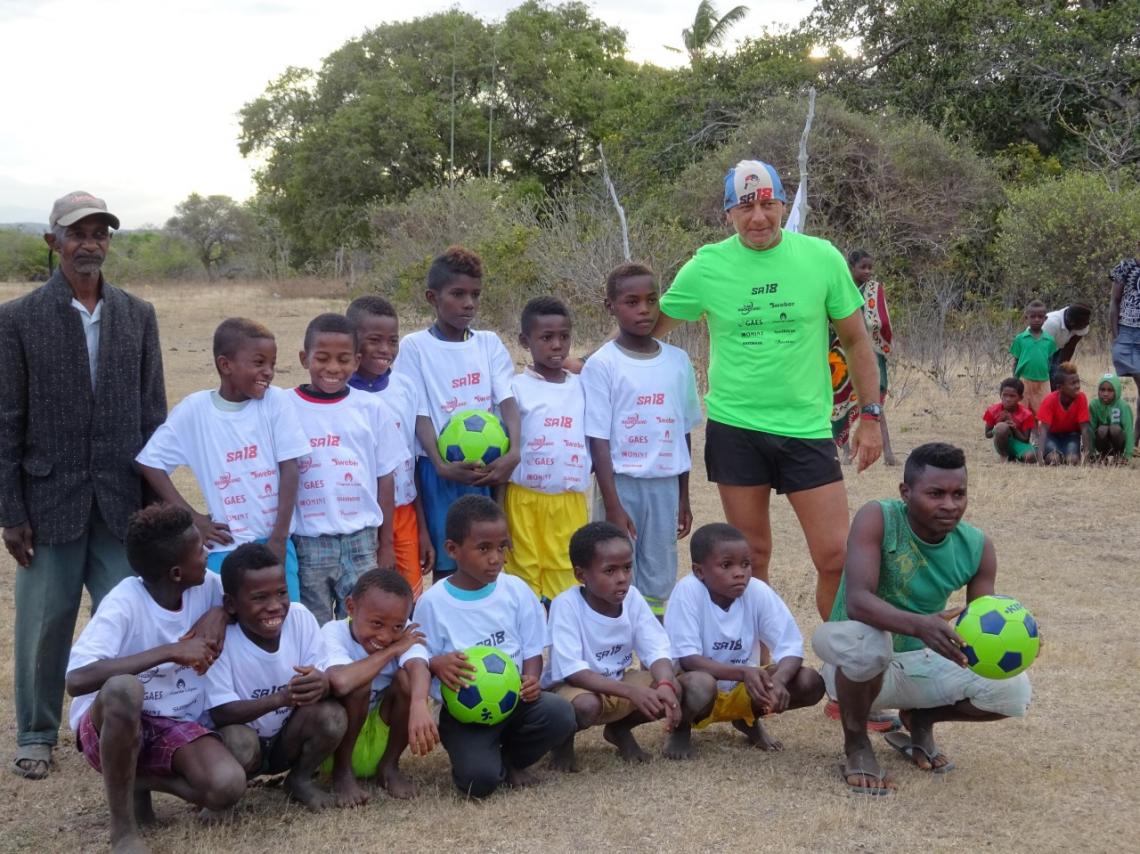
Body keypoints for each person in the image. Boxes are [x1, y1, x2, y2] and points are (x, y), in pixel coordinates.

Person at [653, 159, 882, 621]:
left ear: (781, 204)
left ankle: (842, 673)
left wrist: (871, 416)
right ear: (728, 215)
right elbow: (650, 328)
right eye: (745, 208)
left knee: (836, 556)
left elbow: (858, 340)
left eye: (767, 204)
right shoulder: (706, 265)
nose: (758, 218)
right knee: (749, 560)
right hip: (736, 428)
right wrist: (584, 366)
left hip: (806, 427)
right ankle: (761, 675)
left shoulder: (821, 257)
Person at [0, 191, 167, 780]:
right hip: (48, 501)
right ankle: (38, 734)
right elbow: (6, 420)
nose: (90, 242)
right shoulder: (17, 319)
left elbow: (152, 415)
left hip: (121, 499)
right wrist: (10, 511)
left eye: (100, 232)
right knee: (45, 623)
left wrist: (156, 501)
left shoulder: (137, 314)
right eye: (78, 233)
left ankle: (114, 725)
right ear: (54, 242)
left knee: (129, 616)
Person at [812, 443, 1031, 795]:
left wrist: (1019, 642)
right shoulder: (878, 517)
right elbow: (857, 602)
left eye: (959, 494)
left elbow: (983, 625)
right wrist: (921, 624)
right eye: (936, 493)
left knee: (1013, 690)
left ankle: (921, 719)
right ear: (906, 492)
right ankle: (856, 743)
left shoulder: (977, 547)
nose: (949, 505)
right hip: (851, 661)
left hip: (918, 664)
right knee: (870, 643)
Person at [65, 504, 245, 852]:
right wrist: (169, 651)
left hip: (176, 722)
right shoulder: (124, 602)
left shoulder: (206, 585)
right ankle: (124, 830)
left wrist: (221, 612)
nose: (207, 553)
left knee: (228, 787)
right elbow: (77, 679)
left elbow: (246, 601)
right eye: (199, 550)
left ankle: (136, 779)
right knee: (123, 690)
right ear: (176, 572)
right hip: (113, 722)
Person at [413, 495, 575, 797]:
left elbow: (531, 648)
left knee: (561, 714)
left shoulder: (516, 590)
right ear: (453, 550)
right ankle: (484, 762)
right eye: (483, 548)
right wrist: (436, 663)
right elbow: (419, 658)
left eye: (502, 547)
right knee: (479, 783)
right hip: (465, 713)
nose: (495, 557)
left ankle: (512, 761)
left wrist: (531, 679)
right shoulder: (432, 603)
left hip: (514, 703)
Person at [136, 318, 309, 599]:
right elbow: (150, 463)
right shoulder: (195, 410)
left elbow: (290, 468)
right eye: (259, 363)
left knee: (281, 617)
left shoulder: (276, 402)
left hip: (273, 543)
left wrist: (279, 538)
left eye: (272, 364)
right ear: (225, 365)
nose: (269, 372)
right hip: (224, 547)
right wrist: (193, 518)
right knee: (223, 621)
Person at [393, 247, 521, 581]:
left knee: (486, 559)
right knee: (448, 563)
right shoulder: (415, 347)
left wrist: (515, 452)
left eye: (475, 295)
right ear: (432, 297)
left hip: (486, 473)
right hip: (440, 474)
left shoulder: (489, 343)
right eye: (458, 294)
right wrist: (440, 464)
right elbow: (418, 412)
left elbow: (507, 401)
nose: (469, 303)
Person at [582, 263, 703, 617]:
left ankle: (652, 654)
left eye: (651, 300)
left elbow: (682, 431)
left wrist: (684, 495)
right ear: (611, 307)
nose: (643, 310)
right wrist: (613, 504)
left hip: (665, 486)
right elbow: (598, 439)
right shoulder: (602, 364)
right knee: (614, 568)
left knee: (659, 572)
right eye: (631, 302)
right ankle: (614, 652)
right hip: (621, 484)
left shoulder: (678, 362)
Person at [664, 523, 824, 758]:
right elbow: (688, 659)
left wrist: (778, 680)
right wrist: (743, 673)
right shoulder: (688, 591)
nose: (739, 573)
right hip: (697, 688)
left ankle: (748, 719)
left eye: (745, 564)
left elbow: (791, 646)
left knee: (809, 681)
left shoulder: (756, 591)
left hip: (744, 687)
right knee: (701, 684)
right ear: (699, 571)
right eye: (726, 565)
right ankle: (681, 728)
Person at [205, 544, 346, 810]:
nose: (274, 606)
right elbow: (221, 713)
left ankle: (300, 780)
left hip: (287, 738)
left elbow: (324, 674)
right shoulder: (221, 638)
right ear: (231, 604)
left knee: (332, 715)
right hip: (245, 744)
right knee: (237, 740)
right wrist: (282, 698)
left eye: (281, 593)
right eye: (259, 598)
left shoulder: (300, 618)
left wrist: (321, 683)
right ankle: (225, 796)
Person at [545, 521, 692, 770]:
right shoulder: (566, 605)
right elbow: (573, 672)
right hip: (573, 689)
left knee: (672, 686)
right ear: (582, 575)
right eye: (610, 571)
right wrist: (631, 692)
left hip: (618, 682)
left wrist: (665, 684)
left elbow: (656, 648)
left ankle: (620, 730)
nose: (622, 578)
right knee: (586, 705)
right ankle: (561, 744)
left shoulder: (632, 598)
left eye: (627, 568)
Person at [287, 313, 403, 624]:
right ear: (304, 358)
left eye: (343, 359)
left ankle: (359, 675)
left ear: (357, 360)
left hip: (362, 540)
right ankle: (325, 675)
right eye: (322, 358)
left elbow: (385, 477)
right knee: (316, 626)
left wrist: (386, 544)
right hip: (310, 541)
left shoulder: (371, 408)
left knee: (362, 625)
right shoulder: (283, 407)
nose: (333, 368)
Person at [321, 569, 437, 805]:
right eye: (376, 623)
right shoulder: (333, 632)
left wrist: (419, 704)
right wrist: (393, 650)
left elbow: (418, 667)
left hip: (377, 733)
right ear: (351, 608)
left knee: (407, 680)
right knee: (358, 685)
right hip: (336, 739)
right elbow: (341, 682)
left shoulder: (407, 632)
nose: (385, 635)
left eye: (397, 627)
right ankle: (342, 773)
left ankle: (389, 767)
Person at [504, 296, 591, 602]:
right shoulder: (513, 388)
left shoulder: (582, 386)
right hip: (522, 502)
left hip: (568, 504)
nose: (557, 345)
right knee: (522, 581)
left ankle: (562, 649)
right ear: (525, 341)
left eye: (564, 337)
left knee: (566, 583)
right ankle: (527, 649)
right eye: (546, 337)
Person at [346, 295, 434, 595]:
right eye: (374, 340)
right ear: (352, 340)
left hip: (404, 513)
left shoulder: (406, 388)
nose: (385, 350)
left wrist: (422, 529)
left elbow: (411, 463)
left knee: (409, 597)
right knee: (366, 596)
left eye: (392, 341)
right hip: (359, 518)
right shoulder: (341, 395)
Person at [837, 250, 896, 466]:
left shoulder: (874, 290)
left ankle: (888, 453)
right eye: (863, 267)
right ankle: (845, 452)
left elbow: (882, 321)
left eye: (870, 267)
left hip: (870, 351)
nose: (868, 272)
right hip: (841, 350)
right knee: (840, 401)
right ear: (851, 267)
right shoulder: (840, 287)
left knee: (874, 402)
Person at [1035, 362, 1091, 466]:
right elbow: (1043, 431)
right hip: (1051, 436)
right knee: (1054, 460)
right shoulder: (1049, 400)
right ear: (1060, 387)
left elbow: (1085, 429)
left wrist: (1087, 459)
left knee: (1072, 461)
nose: (1077, 386)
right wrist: (1040, 458)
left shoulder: (1081, 398)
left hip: (1071, 435)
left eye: (1078, 382)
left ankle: (1067, 455)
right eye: (1072, 383)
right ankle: (1047, 453)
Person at [1109, 257, 1140, 439]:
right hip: (1127, 332)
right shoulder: (1126, 266)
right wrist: (1116, 335)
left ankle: (1134, 440)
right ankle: (1133, 439)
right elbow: (1114, 301)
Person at [1010, 300, 1057, 414]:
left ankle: (1040, 432)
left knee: (1044, 412)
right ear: (1027, 318)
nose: (1036, 319)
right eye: (1033, 316)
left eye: (1040, 317)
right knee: (1022, 411)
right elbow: (1016, 361)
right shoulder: (1020, 339)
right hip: (1024, 380)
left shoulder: (1050, 340)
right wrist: (1015, 380)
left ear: (1045, 319)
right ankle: (1024, 432)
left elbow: (1050, 361)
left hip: (1043, 382)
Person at [983, 378, 1038, 463]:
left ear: (1020, 398)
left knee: (1031, 457)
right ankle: (1004, 455)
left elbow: (1025, 439)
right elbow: (987, 434)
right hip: (1001, 444)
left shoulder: (1026, 414)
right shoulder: (992, 411)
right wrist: (999, 425)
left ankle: (1014, 457)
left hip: (1019, 444)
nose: (1008, 399)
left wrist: (1014, 428)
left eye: (1012, 396)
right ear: (1000, 394)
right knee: (1001, 427)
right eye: (1005, 395)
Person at [1042, 303, 1092, 390]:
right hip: (1035, 350)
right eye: (1084, 324)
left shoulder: (1083, 322)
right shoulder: (1052, 323)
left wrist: (1061, 370)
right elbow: (1040, 350)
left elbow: (1069, 347)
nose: (1086, 325)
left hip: (1056, 348)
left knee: (1057, 380)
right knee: (1042, 383)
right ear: (1072, 323)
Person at [1088, 373, 1134, 464]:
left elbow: (1129, 431)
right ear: (1098, 391)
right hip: (1101, 442)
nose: (1105, 393)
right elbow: (1090, 429)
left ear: (1117, 391)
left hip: (1119, 442)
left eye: (1110, 390)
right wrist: (1092, 452)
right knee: (1102, 429)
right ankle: (1102, 456)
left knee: (1115, 428)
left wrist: (1128, 454)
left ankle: (1118, 456)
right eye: (1102, 390)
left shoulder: (1123, 406)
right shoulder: (1094, 404)